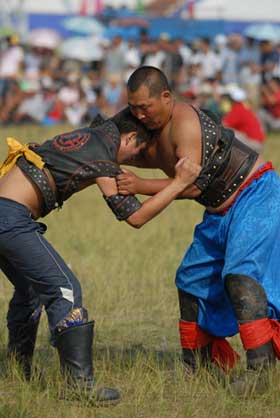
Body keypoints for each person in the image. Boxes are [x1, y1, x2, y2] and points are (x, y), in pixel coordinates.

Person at [0, 108, 198, 405]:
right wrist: (179, 183)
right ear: (130, 136)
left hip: (6, 214)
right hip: (10, 217)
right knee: (64, 289)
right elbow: (136, 217)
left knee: (30, 289)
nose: (133, 158)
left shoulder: (93, 138)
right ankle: (79, 385)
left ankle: (18, 372)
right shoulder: (104, 155)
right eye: (138, 150)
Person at [116, 66, 280, 394]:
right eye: (133, 108)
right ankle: (200, 368)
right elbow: (103, 138)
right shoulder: (142, 124)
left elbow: (192, 186)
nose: (139, 115)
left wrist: (139, 184)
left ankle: (262, 370)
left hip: (255, 193)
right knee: (191, 282)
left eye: (145, 107)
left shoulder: (186, 123)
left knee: (240, 275)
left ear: (166, 97)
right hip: (218, 211)